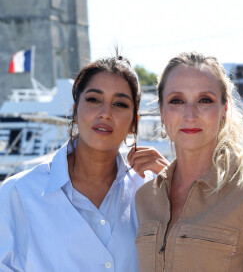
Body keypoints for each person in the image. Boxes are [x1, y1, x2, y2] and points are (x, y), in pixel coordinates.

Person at [0, 54, 168, 272]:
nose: (105, 113)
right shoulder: (18, 194)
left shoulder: (152, 190)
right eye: (93, 100)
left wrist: (173, 177)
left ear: (134, 123)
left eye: (119, 104)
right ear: (74, 111)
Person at [135, 51, 243, 271]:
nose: (190, 114)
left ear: (224, 109)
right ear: (162, 112)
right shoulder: (145, 198)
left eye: (204, 100)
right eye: (177, 101)